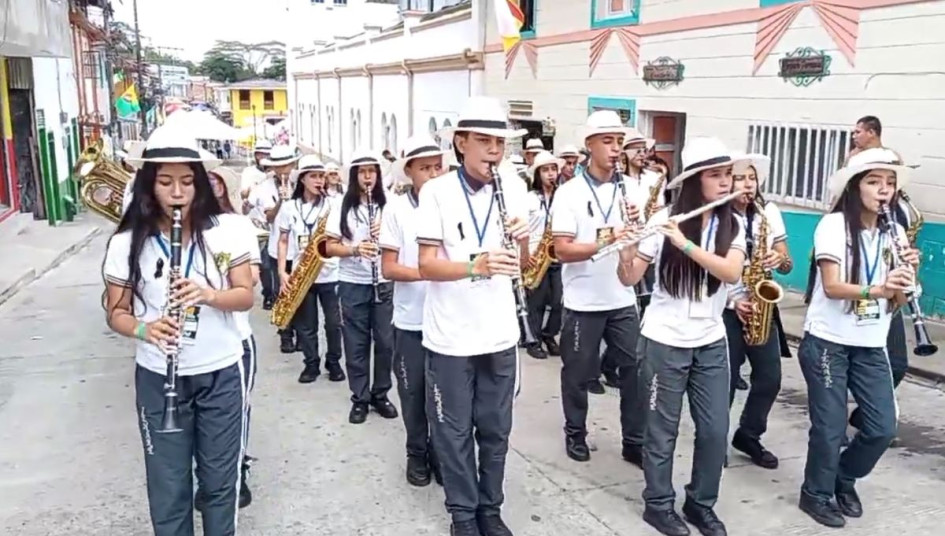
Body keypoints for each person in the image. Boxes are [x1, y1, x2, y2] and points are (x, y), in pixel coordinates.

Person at [102, 126, 254, 535]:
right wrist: (144, 330)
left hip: (220, 371)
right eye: (166, 182)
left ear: (200, 186)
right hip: (157, 374)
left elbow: (245, 296)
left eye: (187, 182)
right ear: (150, 187)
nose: (178, 193)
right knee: (168, 486)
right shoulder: (127, 243)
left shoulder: (225, 232)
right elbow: (115, 312)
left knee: (221, 483)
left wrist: (207, 294)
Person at [617, 137, 749, 536]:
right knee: (662, 428)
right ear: (695, 182)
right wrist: (630, 242)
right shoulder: (663, 221)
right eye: (716, 175)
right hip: (664, 339)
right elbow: (629, 278)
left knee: (713, 430)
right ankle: (657, 504)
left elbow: (730, 274)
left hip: (710, 339)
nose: (726, 182)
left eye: (729, 174)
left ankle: (700, 502)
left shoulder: (734, 224)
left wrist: (685, 243)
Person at [416, 96, 531, 536]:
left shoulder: (516, 188)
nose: (493, 152)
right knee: (453, 430)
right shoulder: (437, 191)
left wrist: (522, 242)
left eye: (499, 143)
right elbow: (427, 265)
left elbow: (527, 265)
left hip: (499, 333)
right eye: (483, 141)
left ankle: (490, 508)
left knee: (496, 429)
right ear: (460, 143)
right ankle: (462, 514)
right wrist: (474, 266)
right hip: (451, 337)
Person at [797, 148, 917, 528]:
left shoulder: (895, 231)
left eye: (890, 183)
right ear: (855, 186)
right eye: (874, 181)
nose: (884, 190)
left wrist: (904, 282)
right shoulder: (834, 226)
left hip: (871, 343)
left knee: (882, 428)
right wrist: (879, 289)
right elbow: (832, 287)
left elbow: (895, 301)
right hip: (828, 342)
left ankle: (843, 477)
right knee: (830, 428)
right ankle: (815, 493)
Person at [549, 110, 645, 466]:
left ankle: (634, 439)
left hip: (622, 297)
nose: (616, 149)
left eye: (619, 142)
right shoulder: (570, 193)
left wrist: (636, 234)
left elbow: (642, 240)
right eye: (607, 141)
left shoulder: (632, 189)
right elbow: (562, 249)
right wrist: (608, 240)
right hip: (582, 301)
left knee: (636, 369)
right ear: (589, 146)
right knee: (577, 373)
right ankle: (575, 433)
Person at [379, 135, 446, 487]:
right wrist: (430, 270)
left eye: (438, 166)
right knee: (413, 392)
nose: (433, 174)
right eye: (425, 168)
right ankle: (416, 452)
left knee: (447, 398)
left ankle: (441, 452)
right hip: (412, 320)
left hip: (450, 321)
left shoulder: (454, 203)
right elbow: (388, 268)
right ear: (409, 172)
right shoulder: (396, 209)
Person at [723, 153, 793, 471]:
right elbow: (706, 270)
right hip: (728, 307)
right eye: (740, 178)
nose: (747, 184)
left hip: (761, 304)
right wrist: (732, 301)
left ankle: (749, 434)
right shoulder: (718, 217)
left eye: (752, 178)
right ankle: (714, 441)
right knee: (723, 381)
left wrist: (779, 259)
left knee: (769, 379)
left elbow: (787, 259)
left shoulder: (768, 213)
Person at [324, 150, 399, 424]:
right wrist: (355, 249)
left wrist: (386, 232)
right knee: (356, 344)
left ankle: (381, 394)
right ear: (354, 176)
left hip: (384, 282)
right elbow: (328, 246)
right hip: (353, 282)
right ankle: (360, 398)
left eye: (372, 171)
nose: (368, 177)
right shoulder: (341, 207)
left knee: (385, 342)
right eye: (362, 172)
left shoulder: (389, 204)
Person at [207, 165, 264, 508]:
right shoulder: (170, 225)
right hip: (185, 344)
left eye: (215, 181)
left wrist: (210, 289)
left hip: (235, 335)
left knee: (236, 411)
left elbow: (253, 277)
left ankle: (236, 472)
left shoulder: (236, 225)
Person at [275, 155, 346, 384]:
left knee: (334, 323)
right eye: (313, 176)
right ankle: (311, 363)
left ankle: (334, 361)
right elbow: (283, 240)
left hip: (330, 272)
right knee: (307, 325)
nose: (319, 181)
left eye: (321, 176)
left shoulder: (334, 205)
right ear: (302, 179)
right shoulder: (289, 207)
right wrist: (282, 271)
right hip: (302, 272)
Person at [251, 145, 301, 341]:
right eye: (280, 166)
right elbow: (269, 218)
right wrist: (281, 200)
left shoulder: (301, 184)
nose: (284, 170)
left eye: (288, 165)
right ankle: (285, 332)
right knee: (280, 291)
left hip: (299, 248)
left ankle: (300, 332)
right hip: (276, 248)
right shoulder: (265, 188)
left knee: (301, 293)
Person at [523, 150, 564, 360]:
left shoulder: (563, 196)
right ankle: (534, 340)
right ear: (537, 174)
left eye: (553, 169)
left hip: (557, 254)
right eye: (545, 170)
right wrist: (525, 254)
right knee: (536, 303)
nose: (550, 174)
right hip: (535, 254)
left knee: (559, 302)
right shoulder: (529, 198)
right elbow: (523, 229)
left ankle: (549, 335)